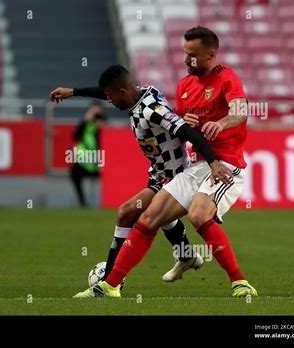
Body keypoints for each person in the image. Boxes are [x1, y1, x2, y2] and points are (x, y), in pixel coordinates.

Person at [72, 27, 257, 299]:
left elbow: (241, 111)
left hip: (225, 165)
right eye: (185, 54)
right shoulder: (185, 86)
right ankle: (110, 286)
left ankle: (239, 282)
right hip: (196, 166)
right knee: (149, 217)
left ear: (211, 55)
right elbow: (178, 122)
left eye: (193, 56)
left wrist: (221, 123)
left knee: (197, 215)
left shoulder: (227, 78)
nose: (186, 60)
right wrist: (189, 121)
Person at [50, 64, 233, 288]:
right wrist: (74, 91)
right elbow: (109, 91)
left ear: (122, 93)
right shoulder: (138, 94)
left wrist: (213, 161)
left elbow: (186, 131)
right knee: (156, 215)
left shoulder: (151, 110)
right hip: (158, 174)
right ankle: (186, 255)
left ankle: (109, 279)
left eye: (110, 97)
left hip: (174, 175)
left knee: (127, 213)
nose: (109, 101)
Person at [70, 102, 105, 207]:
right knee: (74, 172)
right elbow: (76, 136)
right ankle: (82, 202)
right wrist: (85, 120)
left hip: (101, 161)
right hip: (85, 161)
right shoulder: (85, 124)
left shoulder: (103, 123)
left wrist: (100, 125)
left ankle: (108, 200)